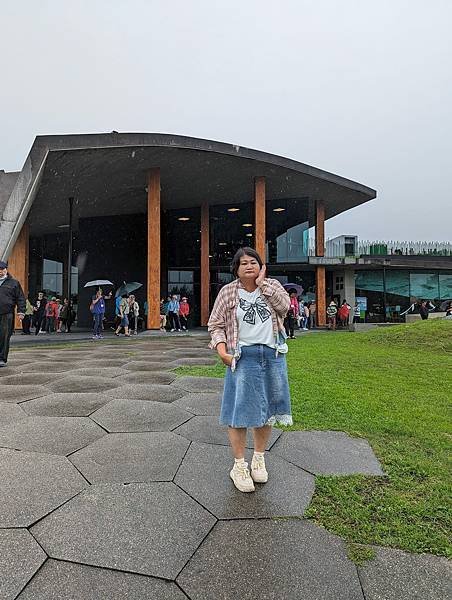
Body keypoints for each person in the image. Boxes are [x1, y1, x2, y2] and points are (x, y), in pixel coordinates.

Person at [208, 247, 292, 493]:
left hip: (272, 355)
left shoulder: (272, 286)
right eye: (243, 263)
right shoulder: (228, 292)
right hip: (243, 357)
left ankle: (258, 458)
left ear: (261, 266)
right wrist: (222, 351)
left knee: (268, 409)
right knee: (240, 410)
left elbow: (285, 307)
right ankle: (238, 465)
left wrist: (263, 284)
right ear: (236, 268)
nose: (248, 266)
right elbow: (216, 325)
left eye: (253, 262)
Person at [0, 260, 26, 367]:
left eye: (2, 270)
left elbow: (20, 298)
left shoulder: (14, 283)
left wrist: (21, 312)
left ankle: (1, 358)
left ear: (6, 270)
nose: (0, 272)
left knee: (4, 336)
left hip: (7, 313)